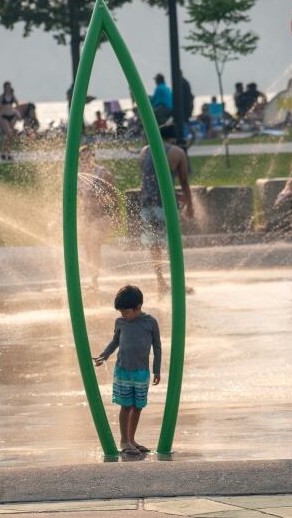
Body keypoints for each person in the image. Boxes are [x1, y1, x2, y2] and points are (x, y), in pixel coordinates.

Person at [93, 285, 161, 456]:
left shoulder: (150, 322)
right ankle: (124, 441)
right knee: (126, 406)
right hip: (123, 371)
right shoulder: (120, 322)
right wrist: (104, 356)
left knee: (137, 406)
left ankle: (132, 439)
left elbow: (157, 347)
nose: (123, 315)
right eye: (121, 312)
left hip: (141, 372)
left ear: (138, 307)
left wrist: (157, 370)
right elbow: (115, 341)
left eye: (126, 312)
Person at [139, 124, 194, 293]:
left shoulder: (144, 151)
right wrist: (189, 204)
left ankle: (160, 282)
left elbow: (150, 180)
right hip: (166, 206)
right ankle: (178, 283)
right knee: (173, 244)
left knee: (154, 244)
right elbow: (184, 181)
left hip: (147, 204)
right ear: (174, 138)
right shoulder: (177, 152)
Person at [79, 145, 118, 290]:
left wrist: (116, 214)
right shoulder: (78, 175)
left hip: (102, 215)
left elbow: (114, 194)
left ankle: (95, 280)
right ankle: (93, 279)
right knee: (87, 249)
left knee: (94, 246)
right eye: (82, 157)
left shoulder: (102, 173)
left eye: (88, 157)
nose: (85, 160)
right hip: (86, 216)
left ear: (93, 157)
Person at [0, 81, 20, 161]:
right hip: (4, 116)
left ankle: (5, 152)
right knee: (8, 134)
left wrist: (16, 112)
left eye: (9, 87)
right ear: (4, 87)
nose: (8, 88)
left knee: (8, 136)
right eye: (7, 87)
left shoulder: (12, 96)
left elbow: (17, 105)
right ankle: (7, 152)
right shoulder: (1, 97)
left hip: (12, 116)